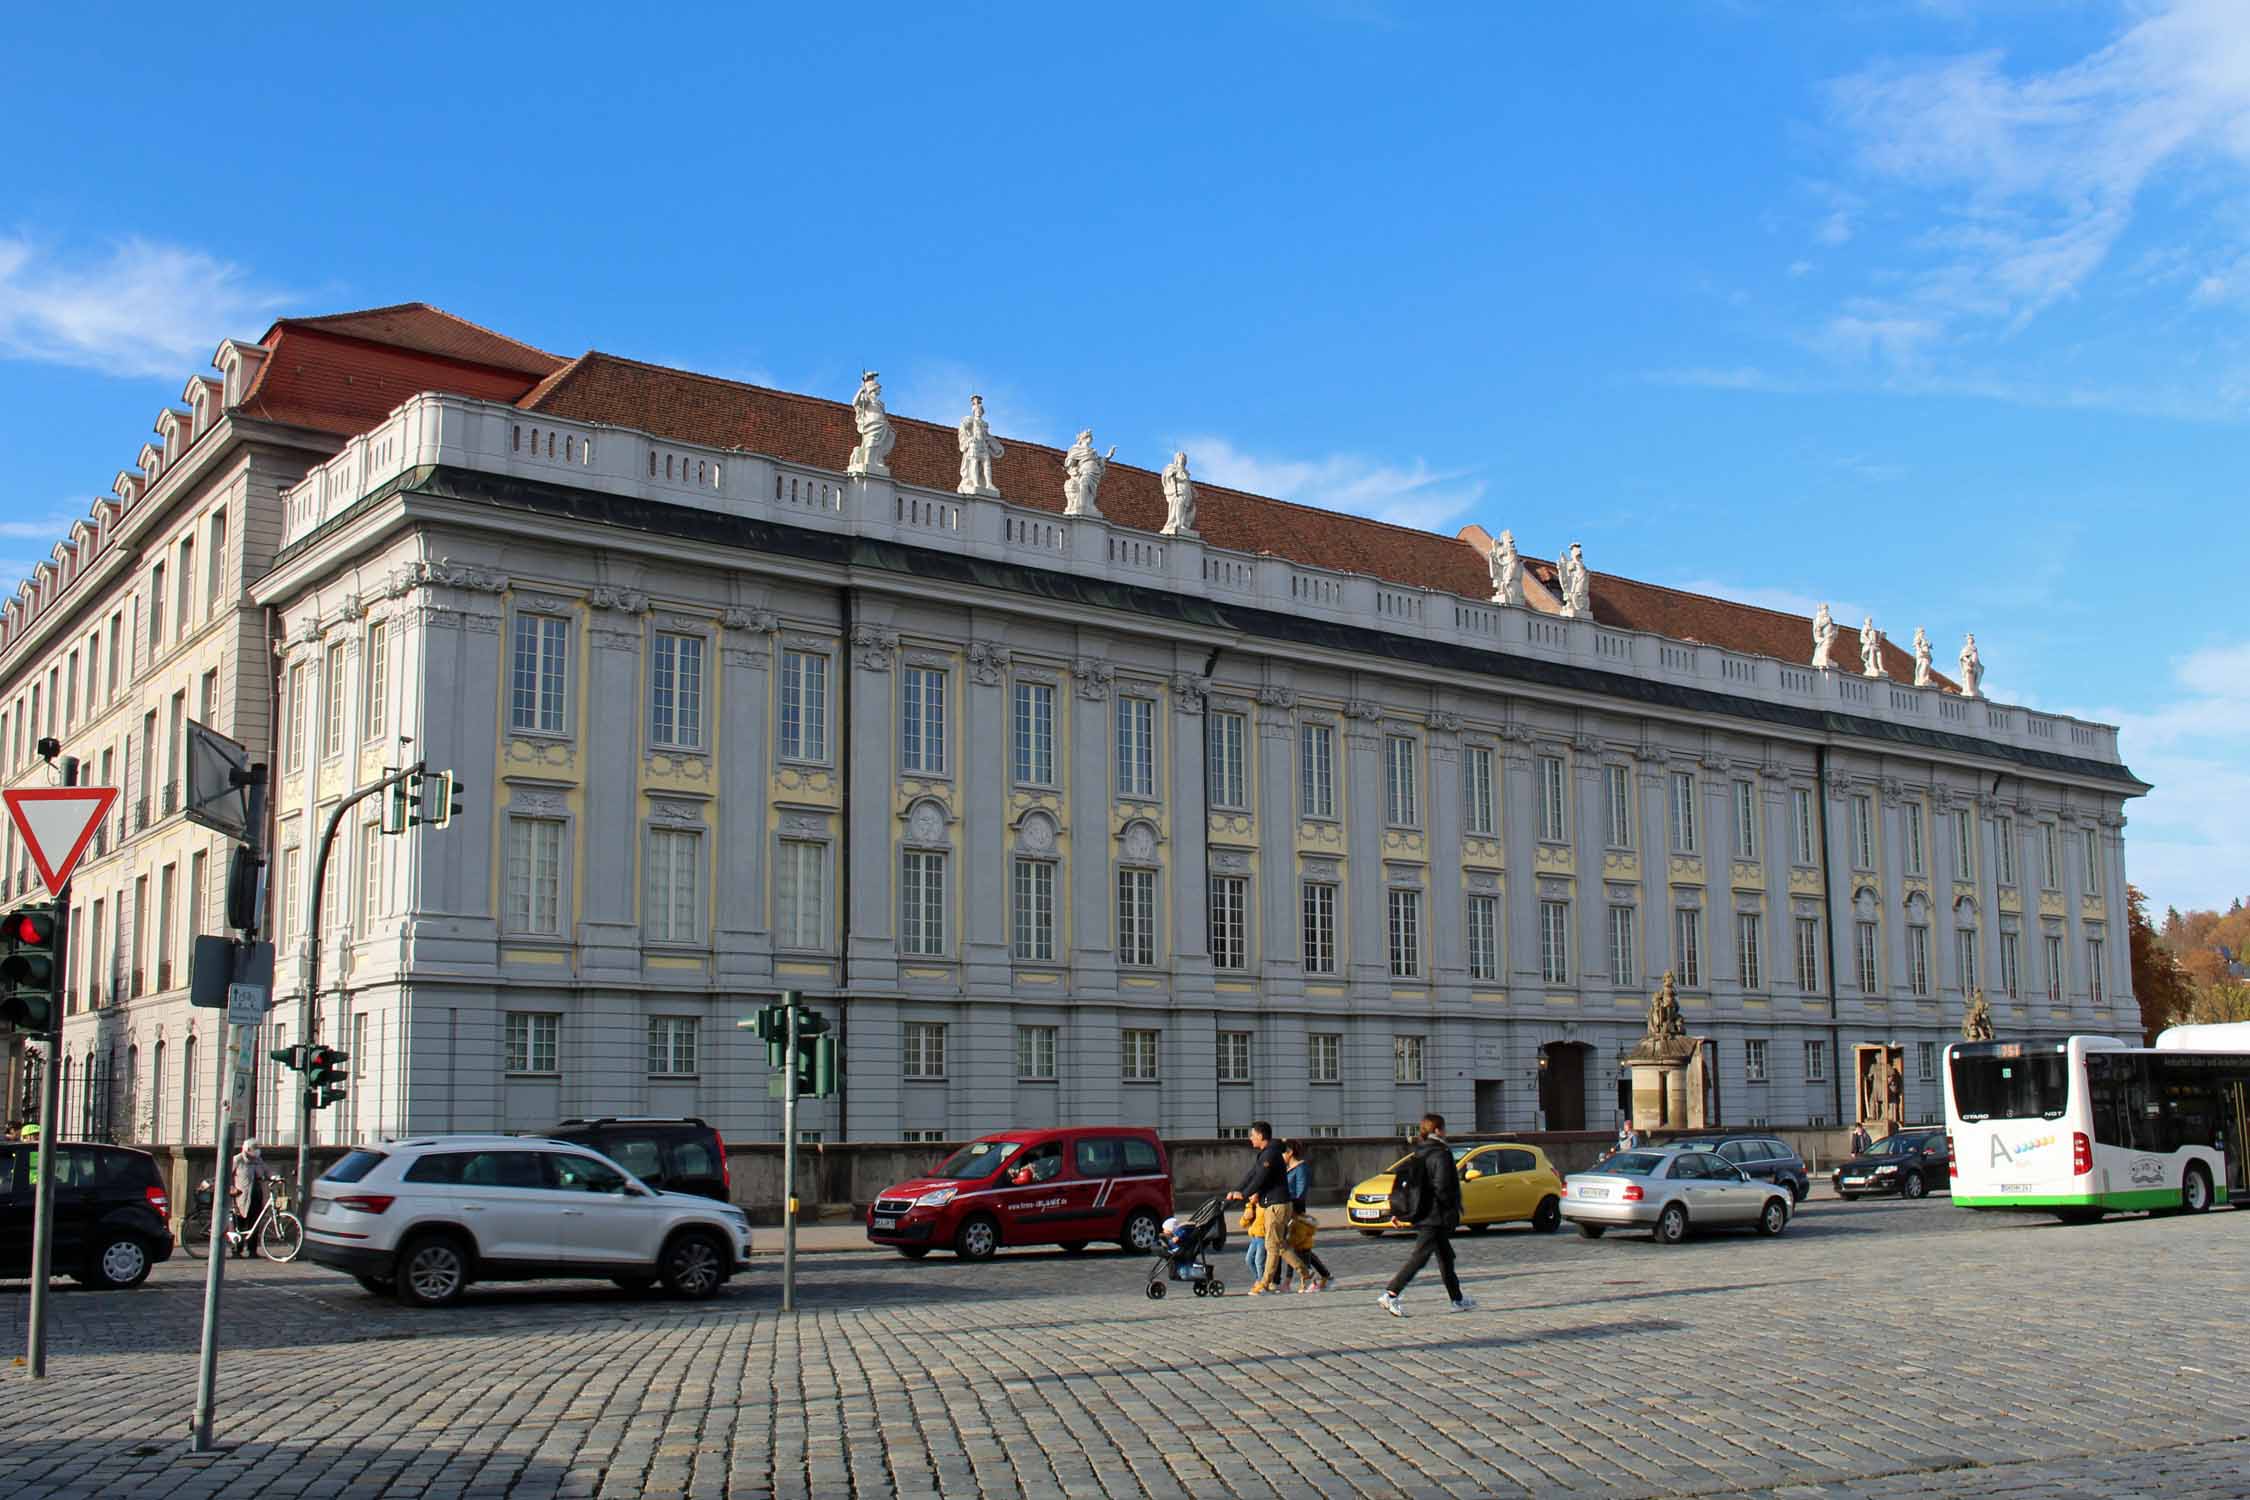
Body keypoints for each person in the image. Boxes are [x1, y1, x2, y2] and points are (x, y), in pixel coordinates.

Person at [1378, 1114, 1473, 1317]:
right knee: (1420, 1257)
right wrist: (1450, 1207)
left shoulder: (1420, 1152)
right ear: (1438, 1130)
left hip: (1425, 1211)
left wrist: (1403, 1212)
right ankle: (1391, 1293)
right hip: (1435, 1214)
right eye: (1444, 1129)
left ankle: (1457, 1299)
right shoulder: (1441, 1153)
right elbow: (1443, 1186)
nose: (1446, 1132)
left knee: (1446, 1257)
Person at [1225, 1120, 1306, 1296]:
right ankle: (1306, 1274)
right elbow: (1252, 1174)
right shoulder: (1265, 1154)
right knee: (1280, 1245)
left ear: (1261, 1136)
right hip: (1273, 1204)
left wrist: (1245, 1194)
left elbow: (1260, 1178)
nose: (1250, 1139)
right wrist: (1236, 1190)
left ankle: (1264, 1283)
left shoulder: (1270, 1155)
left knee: (1271, 1246)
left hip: (1277, 1205)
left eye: (1252, 1135)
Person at [1281, 1140, 1333, 1293]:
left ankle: (1295, 1280)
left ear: (1290, 1152)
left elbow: (1300, 1192)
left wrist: (1292, 1206)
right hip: (1287, 1210)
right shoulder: (1287, 1168)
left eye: (1283, 1152)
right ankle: (1323, 1276)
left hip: (1296, 1211)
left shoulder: (1301, 1168)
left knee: (1297, 1248)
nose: (1281, 1155)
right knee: (1298, 1249)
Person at [230, 1137, 267, 1260]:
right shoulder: (238, 1160)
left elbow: (266, 1172)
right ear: (247, 1149)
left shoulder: (258, 1160)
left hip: (256, 1194)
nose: (257, 1151)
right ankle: (237, 1249)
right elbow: (226, 1175)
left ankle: (252, 1250)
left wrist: (274, 1177)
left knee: (255, 1223)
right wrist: (231, 1188)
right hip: (241, 1196)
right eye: (254, 1148)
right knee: (239, 1223)